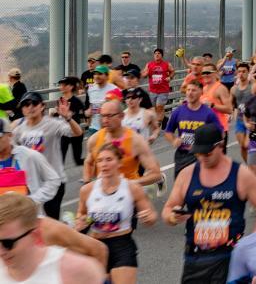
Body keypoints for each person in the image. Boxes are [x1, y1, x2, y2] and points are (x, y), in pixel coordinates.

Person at [162, 123, 256, 283]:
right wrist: (172, 217)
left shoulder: (241, 174)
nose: (202, 157)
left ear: (221, 144)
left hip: (230, 258)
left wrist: (252, 245)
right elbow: (168, 208)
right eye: (198, 153)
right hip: (195, 258)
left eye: (207, 153)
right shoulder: (187, 174)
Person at [75, 143, 155, 284]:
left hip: (122, 245)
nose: (104, 164)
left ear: (119, 162)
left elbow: (151, 217)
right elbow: (82, 216)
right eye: (99, 161)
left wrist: (148, 218)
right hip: (95, 246)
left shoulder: (133, 188)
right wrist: (81, 223)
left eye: (109, 159)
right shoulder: (87, 190)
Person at [0, 194, 105, 283]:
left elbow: (98, 249)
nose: (1, 252)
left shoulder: (76, 269)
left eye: (7, 244)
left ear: (35, 235)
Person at [12, 91, 81, 219]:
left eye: (34, 103)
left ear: (42, 106)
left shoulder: (53, 124)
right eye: (26, 104)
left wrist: (68, 118)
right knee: (32, 220)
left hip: (53, 180)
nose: (30, 107)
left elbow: (77, 133)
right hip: (31, 182)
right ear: (22, 109)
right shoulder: (18, 130)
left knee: (50, 220)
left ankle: (64, 229)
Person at [82, 101, 162, 188]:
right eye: (103, 116)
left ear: (122, 116)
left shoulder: (136, 141)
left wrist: (128, 184)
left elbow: (156, 174)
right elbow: (89, 162)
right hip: (104, 194)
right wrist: (87, 183)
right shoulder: (94, 139)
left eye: (109, 116)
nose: (105, 120)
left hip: (130, 195)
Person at [163, 81, 223, 174]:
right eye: (188, 90)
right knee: (181, 185)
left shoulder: (208, 113)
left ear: (201, 92)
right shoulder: (178, 111)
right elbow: (168, 132)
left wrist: (208, 144)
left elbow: (220, 133)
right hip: (182, 155)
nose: (190, 93)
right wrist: (174, 140)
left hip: (201, 155)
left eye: (194, 90)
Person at [0, 119, 61, 208]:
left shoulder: (29, 155)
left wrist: (33, 200)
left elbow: (53, 180)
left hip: (28, 217)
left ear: (10, 135)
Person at [144, 48, 173, 122]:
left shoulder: (166, 64)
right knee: (154, 108)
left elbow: (173, 71)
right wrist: (145, 74)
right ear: (154, 55)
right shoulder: (149, 64)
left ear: (162, 55)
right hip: (152, 90)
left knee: (159, 107)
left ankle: (158, 123)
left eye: (159, 53)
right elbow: (144, 73)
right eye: (155, 53)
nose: (157, 55)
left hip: (163, 90)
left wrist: (170, 77)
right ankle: (164, 119)